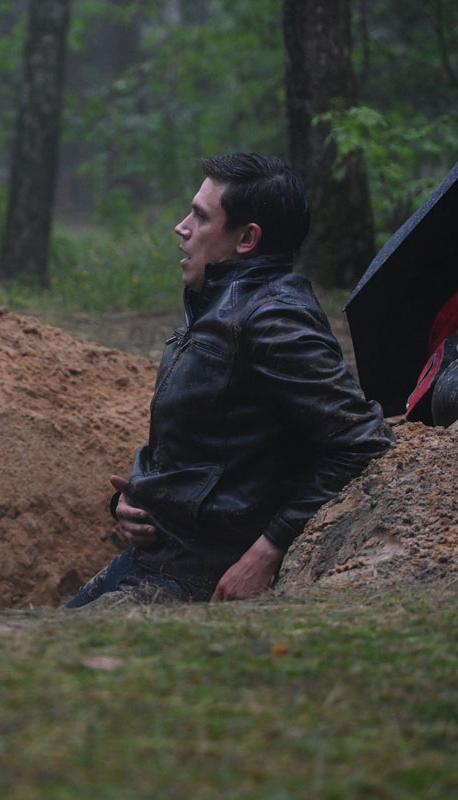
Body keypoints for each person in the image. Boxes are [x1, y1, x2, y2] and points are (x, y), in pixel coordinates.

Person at [67, 153, 393, 608]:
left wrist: (267, 550)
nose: (181, 227)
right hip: (160, 555)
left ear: (246, 238)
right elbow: (215, 439)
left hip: (199, 575)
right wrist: (136, 503)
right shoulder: (218, 305)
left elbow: (361, 440)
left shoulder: (273, 318)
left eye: (200, 216)